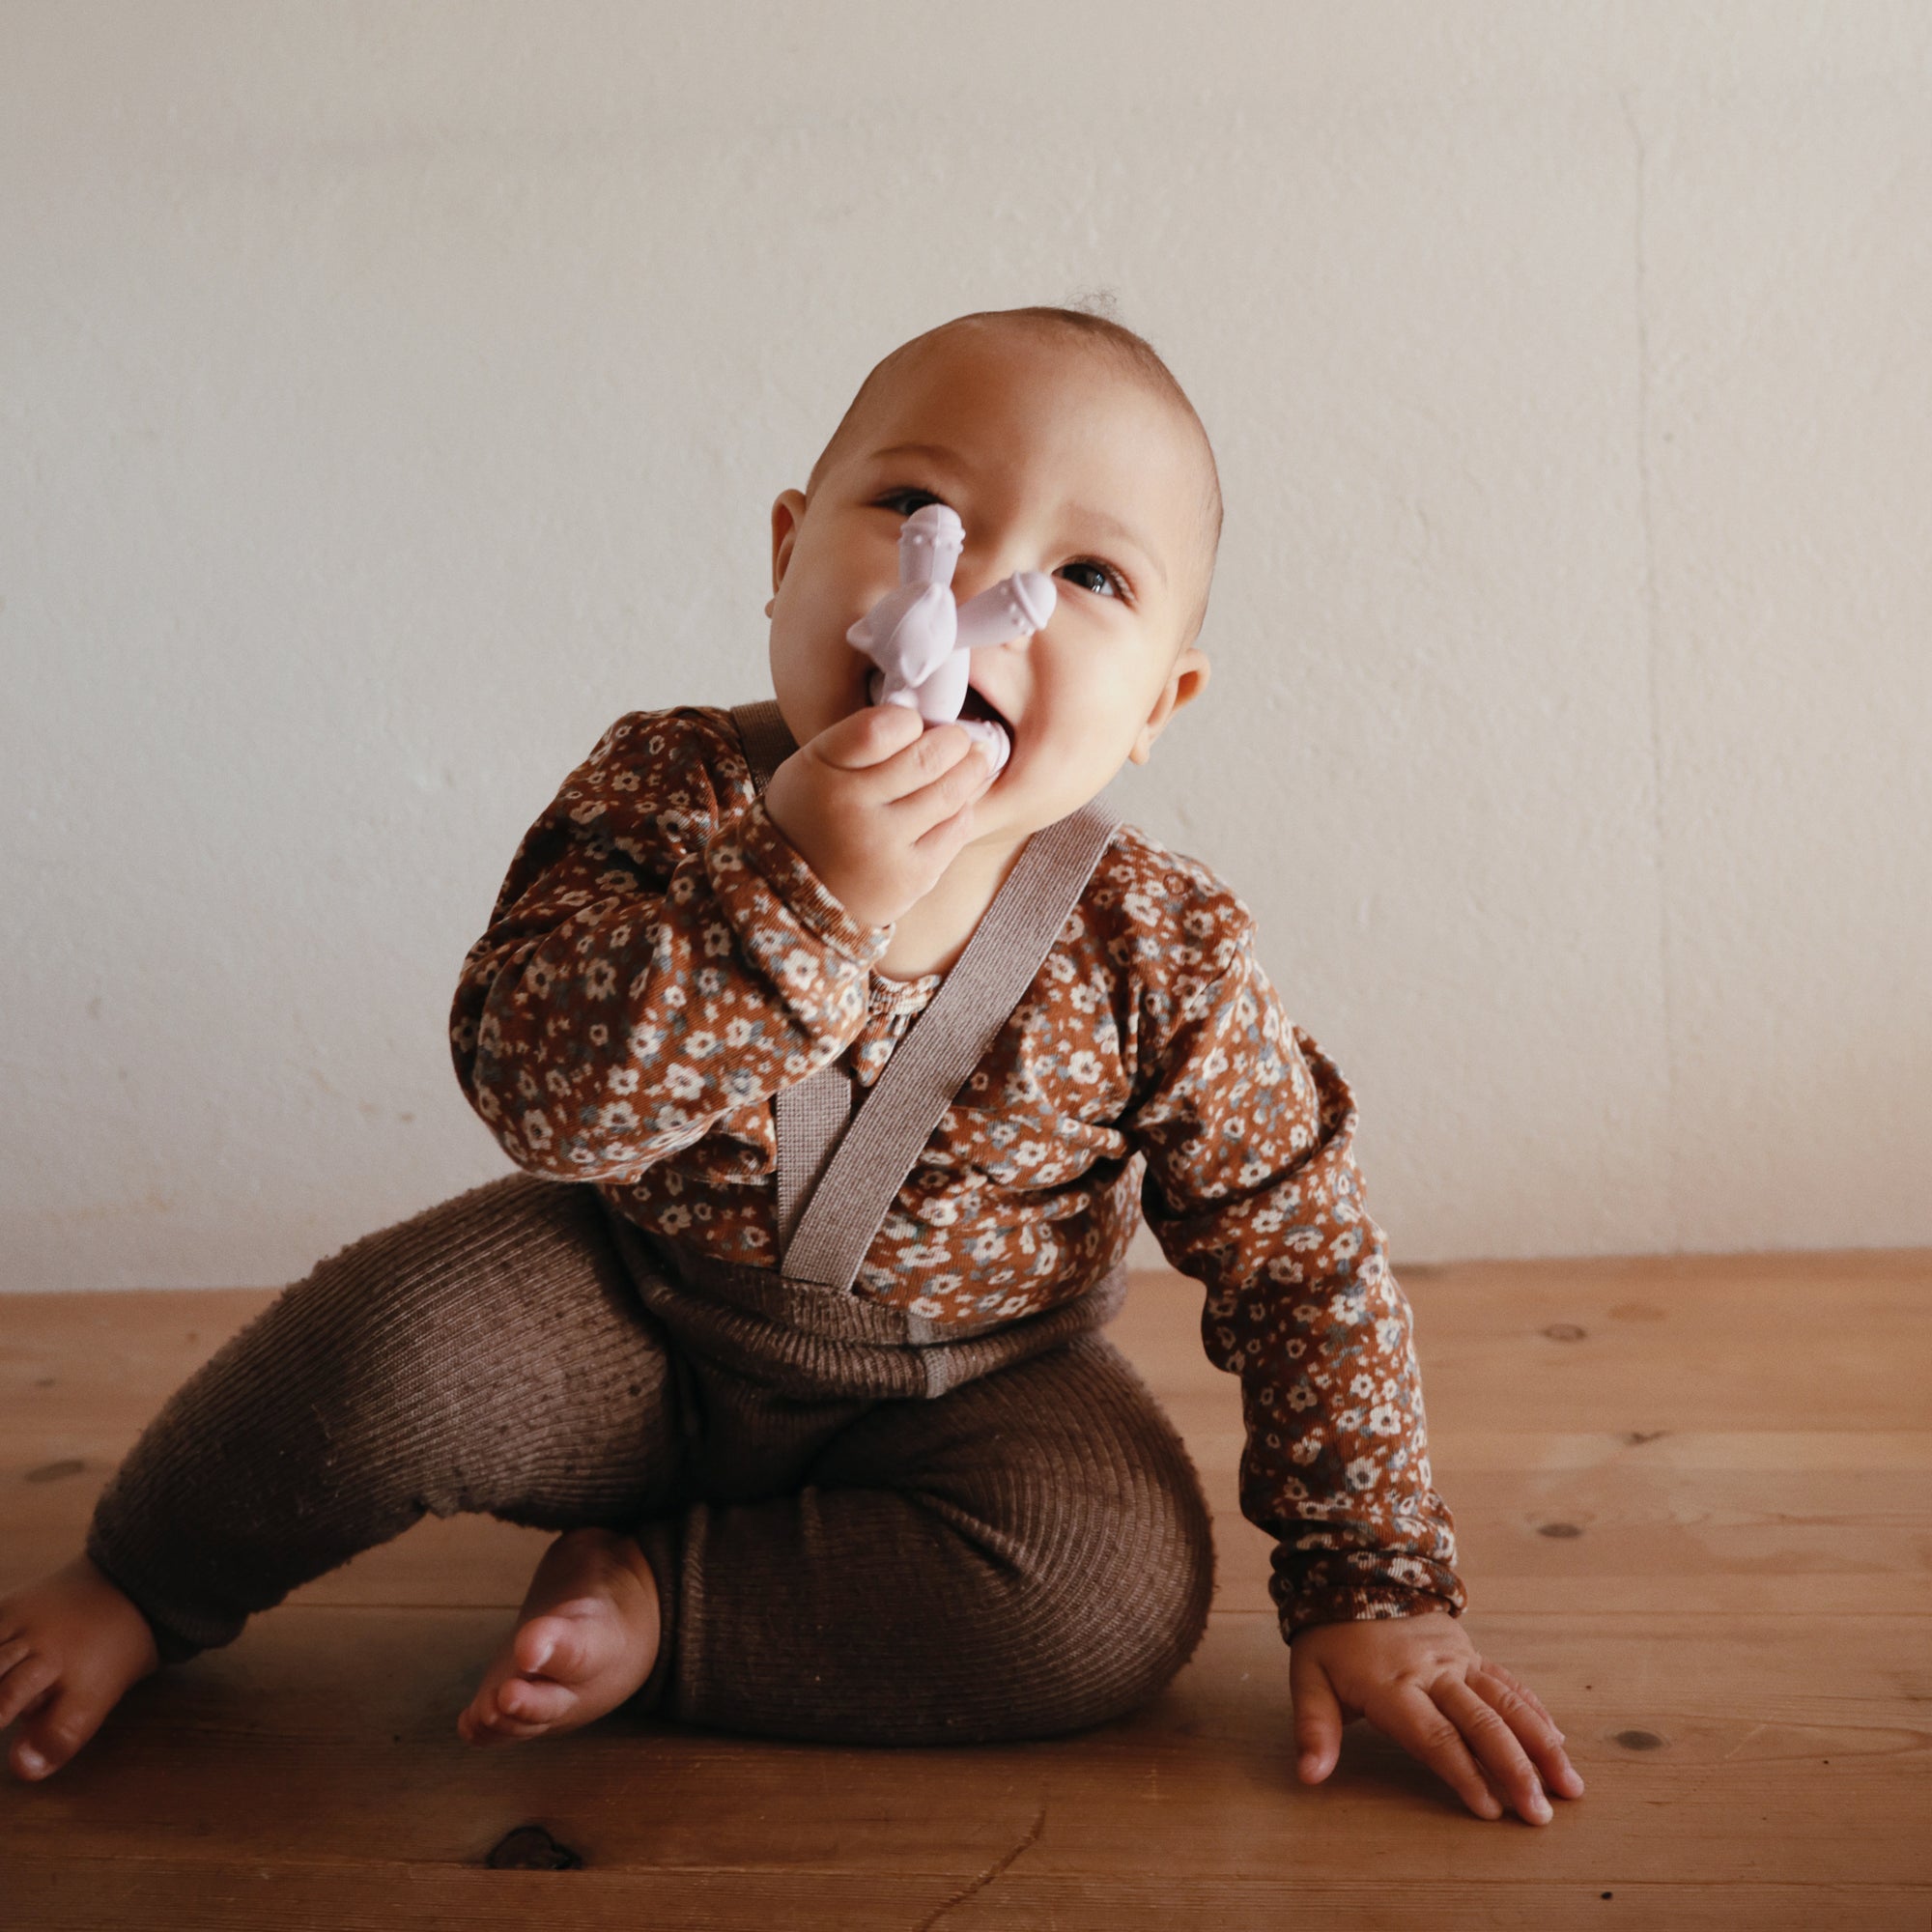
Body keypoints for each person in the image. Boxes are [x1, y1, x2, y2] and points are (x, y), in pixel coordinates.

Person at [0, 304, 1584, 1826]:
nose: (970, 590)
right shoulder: (670, 787)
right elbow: (537, 1097)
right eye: (917, 507)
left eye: (1089, 573)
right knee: (383, 1351)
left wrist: (1372, 1588)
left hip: (964, 1389)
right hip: (632, 1303)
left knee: (1114, 1589)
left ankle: (667, 1607)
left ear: (1159, 703)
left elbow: (1302, 1263)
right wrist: (795, 888)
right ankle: (141, 1584)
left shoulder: (1161, 949)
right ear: (785, 552)